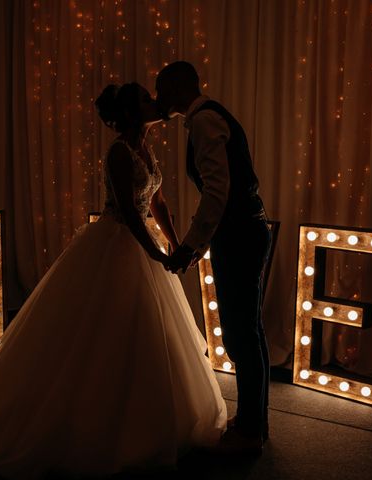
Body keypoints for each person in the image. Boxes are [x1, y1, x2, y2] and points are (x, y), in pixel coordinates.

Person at [0, 81, 226, 480]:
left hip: (144, 246)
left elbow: (157, 202)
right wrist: (158, 253)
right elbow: (128, 209)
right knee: (100, 330)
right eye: (145, 98)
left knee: (143, 329)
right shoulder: (120, 151)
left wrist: (175, 244)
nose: (153, 102)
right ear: (131, 111)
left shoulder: (147, 147)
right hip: (117, 243)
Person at [155, 61, 271, 454]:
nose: (158, 99)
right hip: (247, 228)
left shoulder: (204, 122)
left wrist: (189, 246)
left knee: (240, 335)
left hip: (237, 234)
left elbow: (217, 192)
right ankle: (255, 422)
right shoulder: (211, 116)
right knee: (249, 331)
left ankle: (250, 432)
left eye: (161, 89)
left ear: (175, 87)